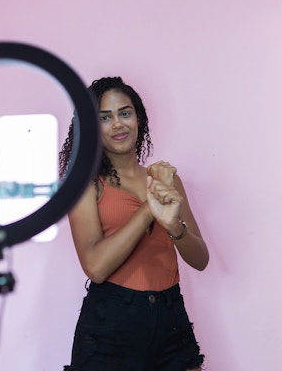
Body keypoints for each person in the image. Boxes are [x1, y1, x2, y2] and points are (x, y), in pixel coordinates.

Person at [60, 76, 209, 371]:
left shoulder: (168, 180)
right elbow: (95, 267)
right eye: (105, 117)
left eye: (125, 113)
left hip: (170, 317)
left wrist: (175, 228)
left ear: (138, 118)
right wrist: (148, 210)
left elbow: (200, 259)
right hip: (111, 322)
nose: (118, 124)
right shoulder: (85, 184)